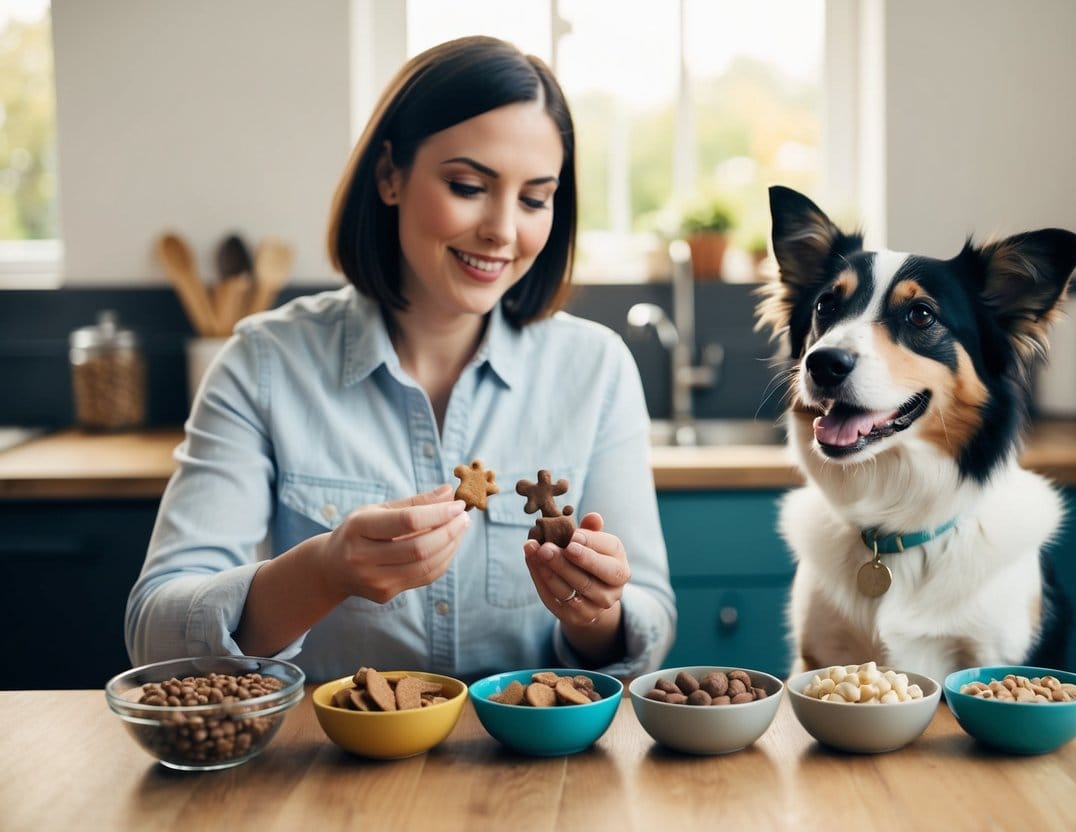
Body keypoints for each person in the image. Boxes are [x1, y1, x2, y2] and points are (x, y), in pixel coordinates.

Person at [126, 36, 676, 683]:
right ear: (389, 175)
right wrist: (319, 574)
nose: (503, 228)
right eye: (468, 185)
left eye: (534, 198)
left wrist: (595, 612)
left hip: (531, 771)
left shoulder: (596, 368)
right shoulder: (264, 362)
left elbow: (651, 620)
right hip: (325, 769)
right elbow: (155, 640)